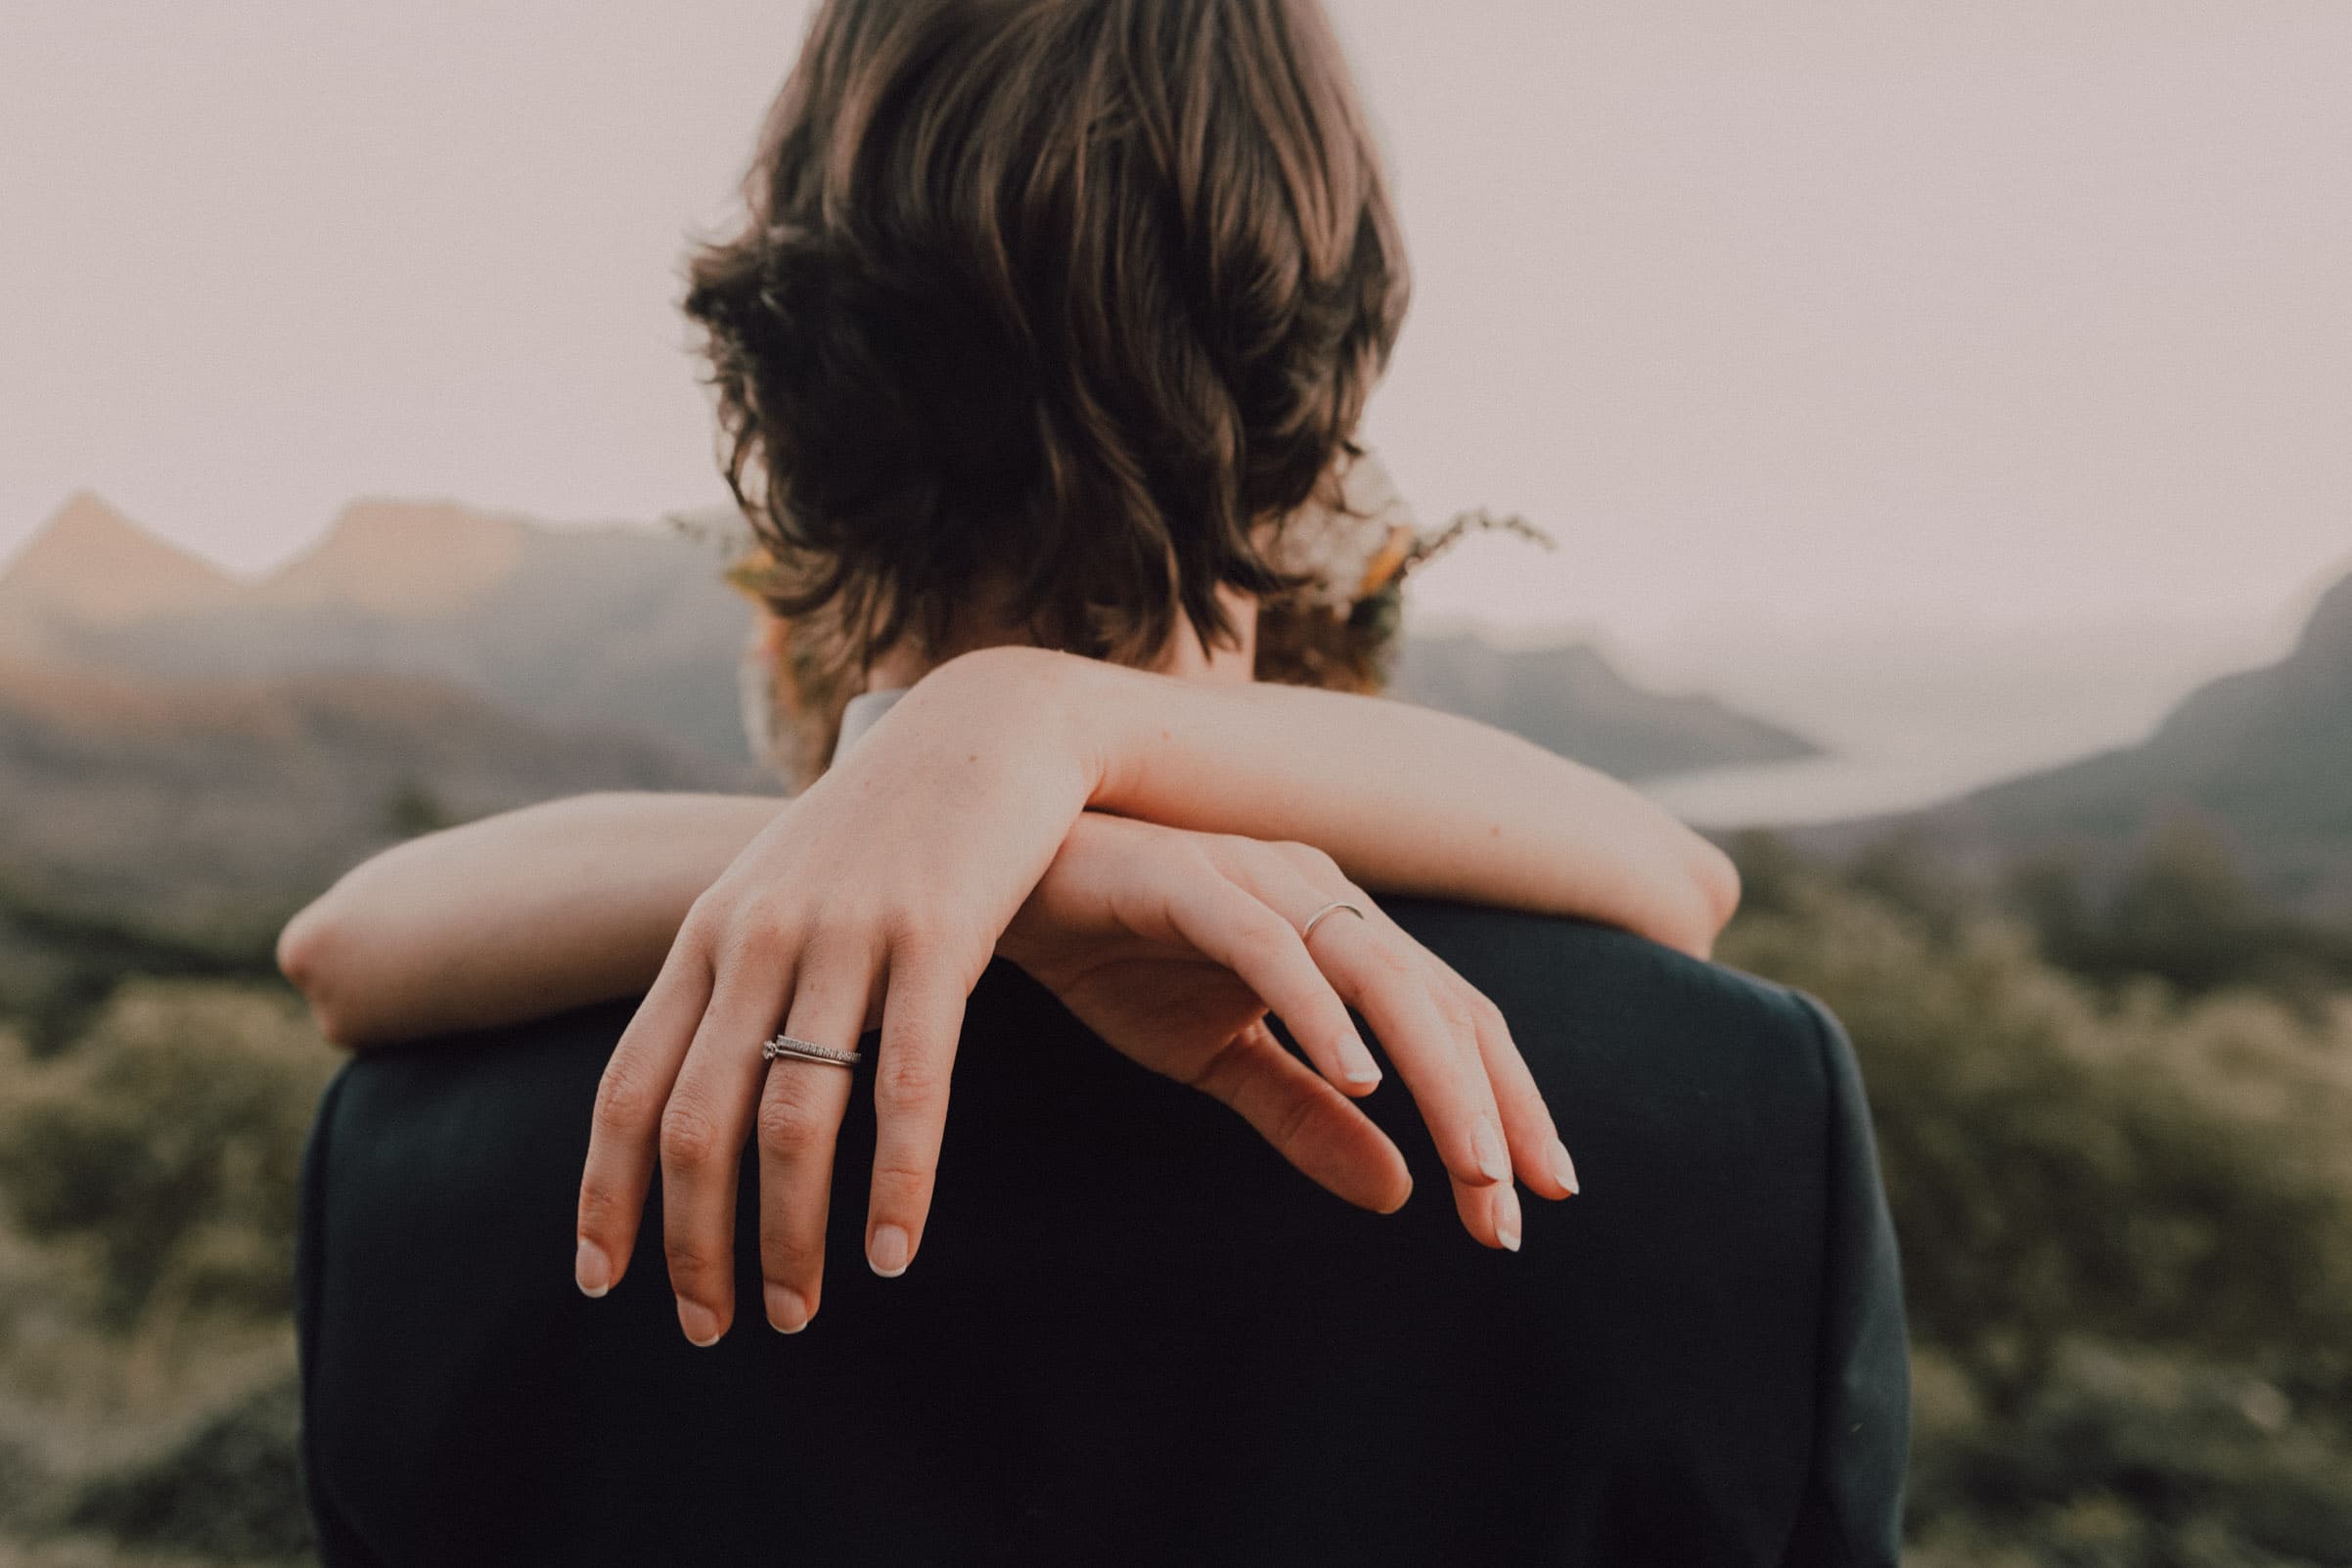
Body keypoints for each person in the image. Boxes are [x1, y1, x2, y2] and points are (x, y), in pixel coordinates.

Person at [281, 1, 1908, 1562]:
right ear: (1326, 373)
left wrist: (1003, 755)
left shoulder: (415, 1155)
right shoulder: (1745, 1118)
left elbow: (336, 953)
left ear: (784, 375)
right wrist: (1043, 787)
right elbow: (1680, 881)